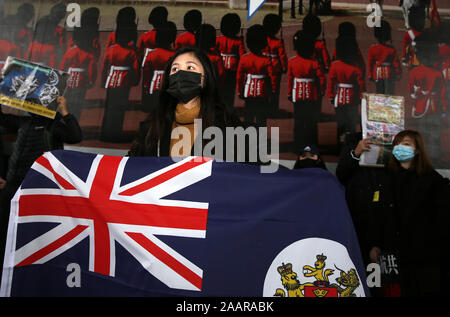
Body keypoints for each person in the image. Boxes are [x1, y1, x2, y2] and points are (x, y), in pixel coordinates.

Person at [336, 130, 450, 296]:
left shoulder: (433, 181)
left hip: (423, 259)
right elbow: (381, 214)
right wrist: (376, 244)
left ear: (417, 150)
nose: (400, 148)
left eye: (406, 144)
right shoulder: (386, 178)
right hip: (391, 256)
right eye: (397, 144)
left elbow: (441, 222)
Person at [0, 96, 82, 282]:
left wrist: (64, 111)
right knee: (5, 233)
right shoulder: (24, 122)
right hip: (12, 188)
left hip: (39, 191)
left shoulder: (53, 125)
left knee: (33, 235)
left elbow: (76, 136)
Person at [128, 46, 256, 163]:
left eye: (190, 67)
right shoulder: (153, 124)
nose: (180, 74)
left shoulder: (227, 123)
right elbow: (130, 165)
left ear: (205, 77)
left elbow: (253, 170)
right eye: (175, 69)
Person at [409, 32, 447, 164]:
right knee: (435, 132)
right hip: (435, 105)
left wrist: (419, 95)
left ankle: (423, 155)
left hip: (421, 105)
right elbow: (442, 92)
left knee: (423, 132)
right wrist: (444, 107)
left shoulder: (414, 72)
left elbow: (412, 92)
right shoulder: (437, 73)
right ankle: (435, 155)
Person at [100, 21, 140, 142]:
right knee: (119, 109)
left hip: (111, 80)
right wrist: (135, 80)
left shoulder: (111, 49)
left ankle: (105, 132)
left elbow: (104, 67)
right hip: (124, 82)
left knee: (109, 108)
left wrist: (103, 81)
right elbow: (136, 69)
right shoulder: (131, 52)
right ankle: (115, 133)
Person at [288, 30, 325, 149]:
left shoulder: (292, 61)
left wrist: (290, 93)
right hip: (312, 94)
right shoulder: (315, 63)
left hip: (297, 94)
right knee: (311, 121)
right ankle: (313, 144)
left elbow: (290, 79)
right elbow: (321, 79)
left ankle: (297, 144)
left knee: (298, 120)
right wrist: (321, 92)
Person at [236, 24, 276, 128]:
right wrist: (273, 91)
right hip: (263, 92)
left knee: (248, 117)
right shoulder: (266, 60)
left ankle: (246, 139)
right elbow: (272, 77)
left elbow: (239, 77)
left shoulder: (244, 59)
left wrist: (240, 90)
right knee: (261, 119)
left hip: (248, 91)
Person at [328, 36, 364, 147]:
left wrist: (330, 95)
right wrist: (362, 96)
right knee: (352, 123)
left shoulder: (334, 65)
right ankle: (351, 144)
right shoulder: (356, 67)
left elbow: (331, 83)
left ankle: (340, 144)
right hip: (352, 98)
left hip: (338, 97)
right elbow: (361, 85)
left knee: (340, 122)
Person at [60, 20, 98, 121]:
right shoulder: (89, 54)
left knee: (65, 104)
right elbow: (91, 70)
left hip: (68, 79)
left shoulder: (70, 51)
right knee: (77, 106)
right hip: (81, 80)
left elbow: (63, 66)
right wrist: (91, 81)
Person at [141, 21, 177, 113]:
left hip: (155, 85)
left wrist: (146, 86)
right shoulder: (175, 55)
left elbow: (147, 73)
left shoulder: (152, 54)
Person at [216, 13, 245, 112]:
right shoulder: (238, 42)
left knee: (220, 89)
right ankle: (229, 108)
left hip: (220, 66)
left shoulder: (219, 39)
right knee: (230, 90)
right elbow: (242, 55)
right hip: (233, 68)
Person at [262, 14, 288, 117]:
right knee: (274, 90)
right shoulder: (278, 42)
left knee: (264, 88)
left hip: (263, 66)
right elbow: (282, 56)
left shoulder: (262, 39)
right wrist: (284, 67)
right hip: (275, 68)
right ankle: (273, 110)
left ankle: (263, 108)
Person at [368, 20, 402, 95]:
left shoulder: (373, 49)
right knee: (390, 93)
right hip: (389, 73)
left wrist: (370, 74)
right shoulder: (391, 49)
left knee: (379, 92)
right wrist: (398, 74)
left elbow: (370, 63)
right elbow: (395, 63)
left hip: (377, 73)